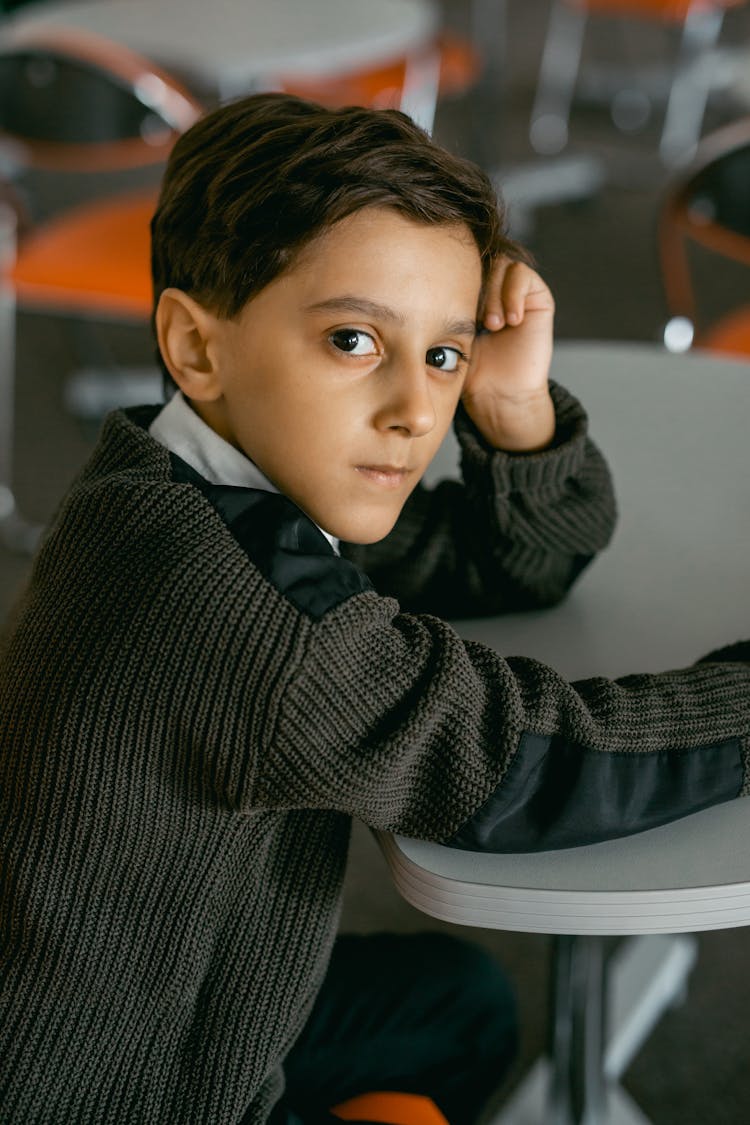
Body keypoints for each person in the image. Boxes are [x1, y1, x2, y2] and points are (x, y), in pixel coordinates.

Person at [0, 93, 747, 1125]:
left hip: (158, 999)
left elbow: (512, 567)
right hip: (123, 1090)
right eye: (355, 340)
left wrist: (513, 412)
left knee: (465, 1009)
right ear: (197, 344)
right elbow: (532, 770)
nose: (413, 411)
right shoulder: (243, 608)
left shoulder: (182, 471)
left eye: (443, 356)